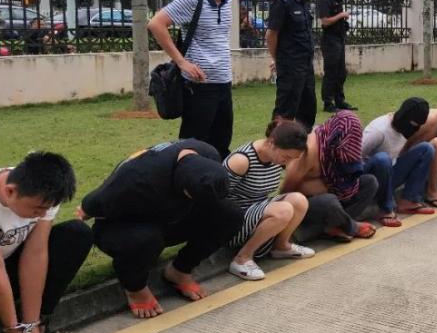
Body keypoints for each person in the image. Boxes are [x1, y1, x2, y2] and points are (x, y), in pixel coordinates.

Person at [83, 139, 244, 319]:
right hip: (125, 226)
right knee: (146, 239)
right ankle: (135, 288)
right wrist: (87, 212)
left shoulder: (208, 154)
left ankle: (180, 271)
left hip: (170, 217)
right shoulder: (138, 176)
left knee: (230, 214)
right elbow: (90, 205)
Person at [0, 152, 90, 333]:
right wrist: (12, 329)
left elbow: (35, 255)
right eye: (36, 209)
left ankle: (40, 326)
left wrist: (30, 325)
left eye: (44, 210)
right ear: (10, 191)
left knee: (76, 235)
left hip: (6, 263)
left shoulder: (44, 195)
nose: (40, 214)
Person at [148, 0, 244, 158]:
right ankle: (184, 186)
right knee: (193, 146)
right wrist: (182, 63)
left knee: (221, 143)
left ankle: (215, 186)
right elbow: (156, 24)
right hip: (198, 86)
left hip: (223, 84)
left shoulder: (227, 5)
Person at [223, 120, 313, 281]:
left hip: (256, 209)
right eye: (286, 157)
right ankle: (242, 258)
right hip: (232, 219)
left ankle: (281, 246)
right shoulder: (242, 160)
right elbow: (217, 197)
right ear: (271, 143)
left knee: (299, 200)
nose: (288, 162)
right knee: (284, 209)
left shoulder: (276, 158)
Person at [281, 111, 378, 242]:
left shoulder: (347, 150)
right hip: (310, 203)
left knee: (370, 182)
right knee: (329, 201)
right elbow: (287, 190)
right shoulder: (310, 150)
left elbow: (349, 176)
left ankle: (336, 226)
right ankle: (351, 226)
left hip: (334, 192)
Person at [362, 97, 437, 227]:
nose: (415, 128)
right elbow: (354, 156)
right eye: (413, 124)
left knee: (426, 148)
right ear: (404, 117)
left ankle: (409, 200)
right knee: (382, 159)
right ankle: (385, 209)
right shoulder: (378, 131)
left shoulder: (405, 129)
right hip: (371, 178)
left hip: (391, 171)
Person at [267, 0, 317, 128]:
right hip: (290, 66)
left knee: (308, 109)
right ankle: (273, 148)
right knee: (285, 111)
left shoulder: (304, 4)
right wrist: (277, 59)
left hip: (306, 65)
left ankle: (302, 148)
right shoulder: (283, 3)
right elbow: (271, 35)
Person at [317, 0, 354, 113]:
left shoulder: (339, 1)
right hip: (330, 40)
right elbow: (325, 22)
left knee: (341, 72)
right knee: (331, 72)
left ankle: (340, 100)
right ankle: (328, 102)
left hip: (339, 39)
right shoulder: (325, 1)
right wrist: (341, 15)